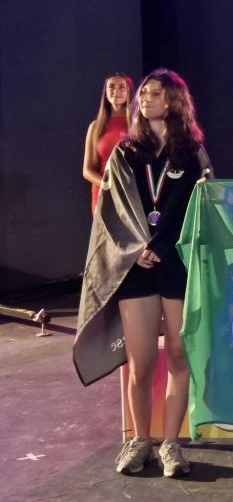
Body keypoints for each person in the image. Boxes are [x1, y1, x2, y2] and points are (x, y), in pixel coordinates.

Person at [73, 69, 213, 478]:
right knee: (140, 362)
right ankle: (140, 440)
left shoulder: (193, 154)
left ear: (174, 101)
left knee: (179, 355)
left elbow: (202, 210)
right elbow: (111, 210)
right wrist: (136, 251)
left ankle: (171, 443)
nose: (145, 99)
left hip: (177, 263)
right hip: (136, 267)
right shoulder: (126, 152)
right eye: (144, 93)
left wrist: (164, 247)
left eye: (155, 93)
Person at [82, 73, 133, 213]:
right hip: (103, 194)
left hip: (131, 192)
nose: (116, 91)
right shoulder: (95, 126)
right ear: (105, 92)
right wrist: (108, 185)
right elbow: (87, 171)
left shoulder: (138, 124)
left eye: (122, 87)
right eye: (111, 87)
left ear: (129, 92)